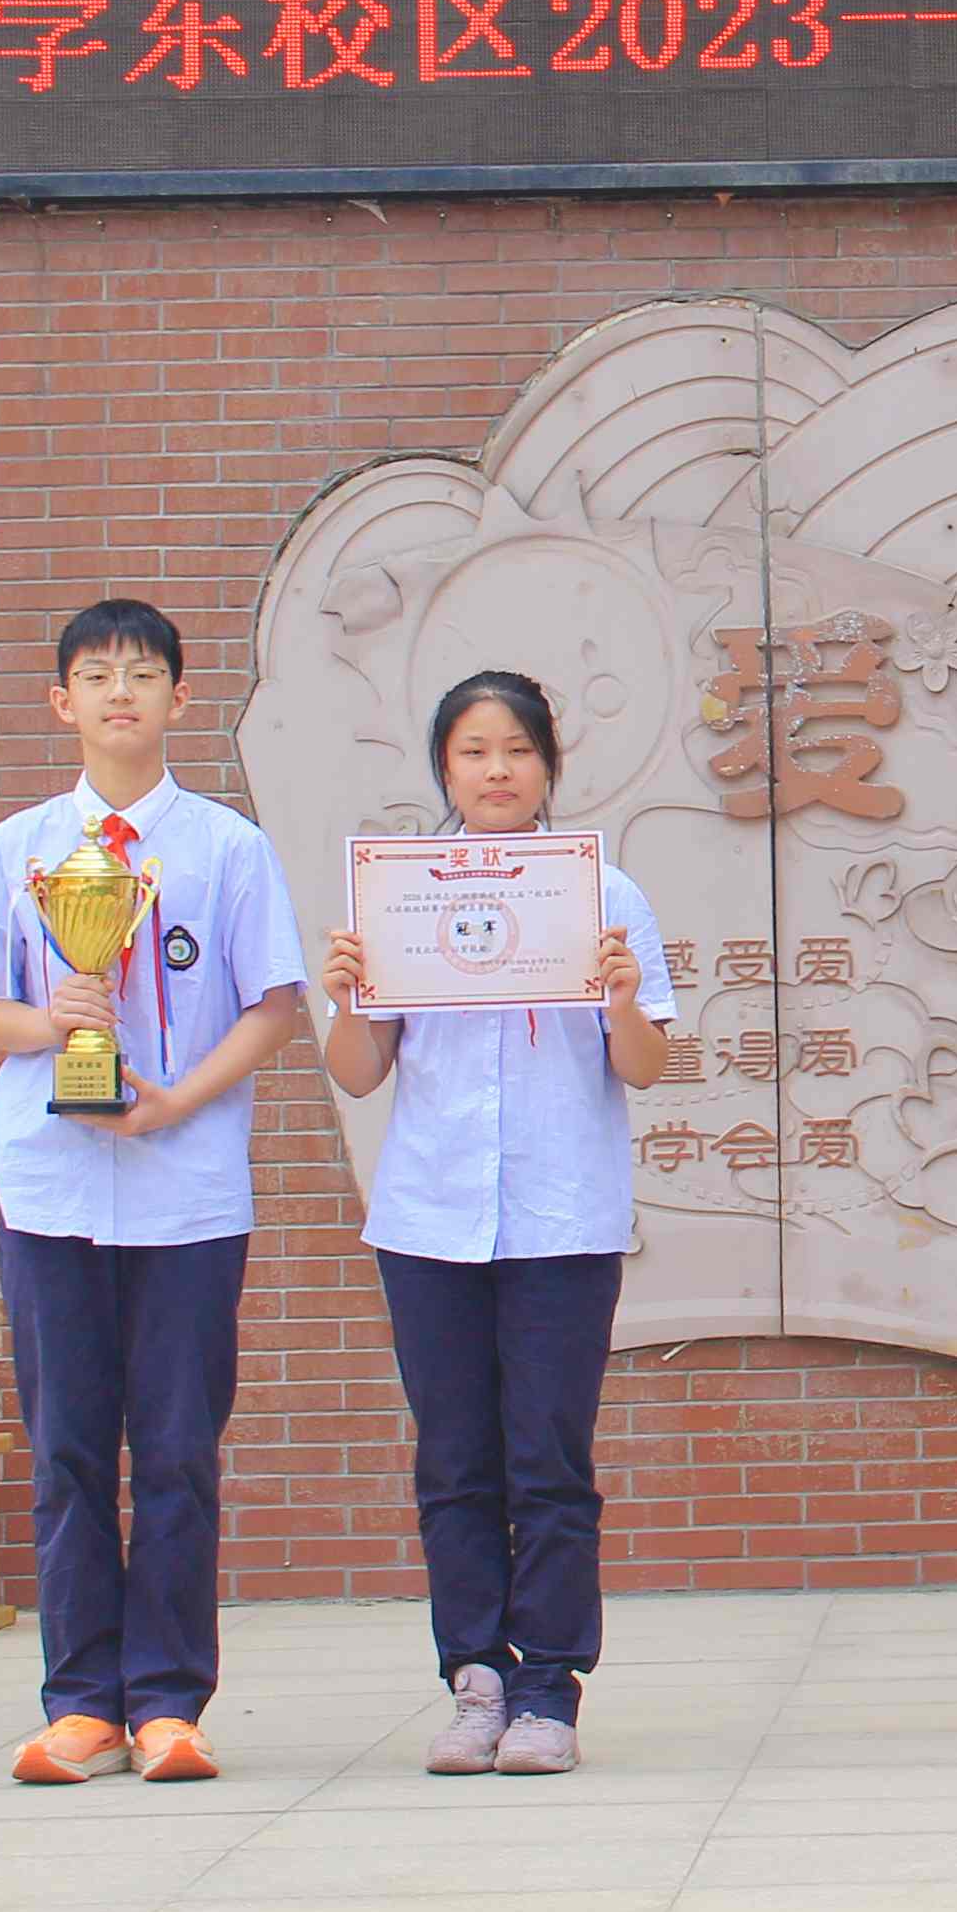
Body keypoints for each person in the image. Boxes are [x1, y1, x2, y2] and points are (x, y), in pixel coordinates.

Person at [0, 599, 311, 1789]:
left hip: (185, 1192)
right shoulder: (17, 849)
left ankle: (169, 1703)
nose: (119, 694)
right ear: (62, 703)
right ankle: (82, 1703)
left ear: (178, 698)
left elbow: (273, 1007)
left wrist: (175, 1102)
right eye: (95, 676)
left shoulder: (226, 848)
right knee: (67, 1450)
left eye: (141, 675)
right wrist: (53, 1021)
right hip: (51, 1190)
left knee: (180, 1450)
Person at [314, 670, 674, 1778]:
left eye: (517, 749)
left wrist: (619, 998)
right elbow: (358, 1073)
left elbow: (647, 1066)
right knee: (455, 1461)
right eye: (473, 752)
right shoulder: (400, 897)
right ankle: (473, 1680)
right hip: (430, 1221)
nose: (497, 770)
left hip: (562, 1219)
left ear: (548, 765)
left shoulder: (605, 894)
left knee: (548, 1460)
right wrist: (349, 994)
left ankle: (548, 1690)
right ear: (444, 769)